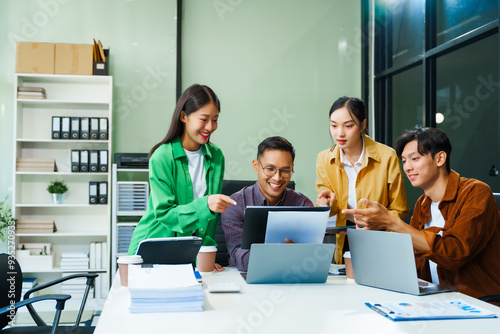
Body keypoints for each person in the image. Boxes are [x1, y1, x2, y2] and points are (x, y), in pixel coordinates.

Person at [343, 126, 500, 299]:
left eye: (415, 159)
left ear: (440, 158)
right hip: (434, 299)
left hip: (476, 303)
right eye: (404, 161)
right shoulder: (423, 203)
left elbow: (455, 253)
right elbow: (412, 261)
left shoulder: (476, 192)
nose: (407, 167)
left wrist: (393, 222)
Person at [127, 84, 236, 272]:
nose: (210, 127)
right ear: (184, 116)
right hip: (153, 249)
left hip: (187, 255)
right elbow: (165, 213)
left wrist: (205, 254)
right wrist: (206, 204)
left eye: (215, 120)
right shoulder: (162, 157)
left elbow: (209, 220)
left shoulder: (216, 157)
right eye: (204, 119)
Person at [316, 96, 409, 264]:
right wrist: (325, 204)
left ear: (363, 125)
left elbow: (399, 209)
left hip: (380, 238)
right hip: (343, 240)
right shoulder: (324, 158)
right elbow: (327, 207)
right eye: (334, 125)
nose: (340, 133)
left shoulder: (387, 156)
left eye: (348, 126)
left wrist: (378, 222)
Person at [221, 136, 314, 271]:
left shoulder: (303, 205)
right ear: (256, 166)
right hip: (248, 280)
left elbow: (312, 255)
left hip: (293, 277)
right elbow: (239, 258)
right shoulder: (236, 205)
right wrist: (284, 254)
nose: (277, 178)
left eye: (285, 170)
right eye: (270, 169)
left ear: (292, 168)